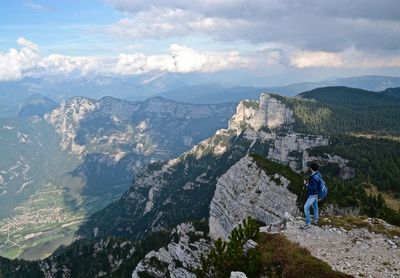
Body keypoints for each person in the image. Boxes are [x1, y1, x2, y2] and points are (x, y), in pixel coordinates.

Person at [301, 161, 322, 229]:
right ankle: (315, 220)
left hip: (312, 195)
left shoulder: (313, 177)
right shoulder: (318, 174)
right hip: (316, 194)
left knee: (306, 207)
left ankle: (308, 223)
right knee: (315, 207)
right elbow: (317, 184)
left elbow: (313, 188)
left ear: (311, 168)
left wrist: (306, 184)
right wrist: (309, 182)